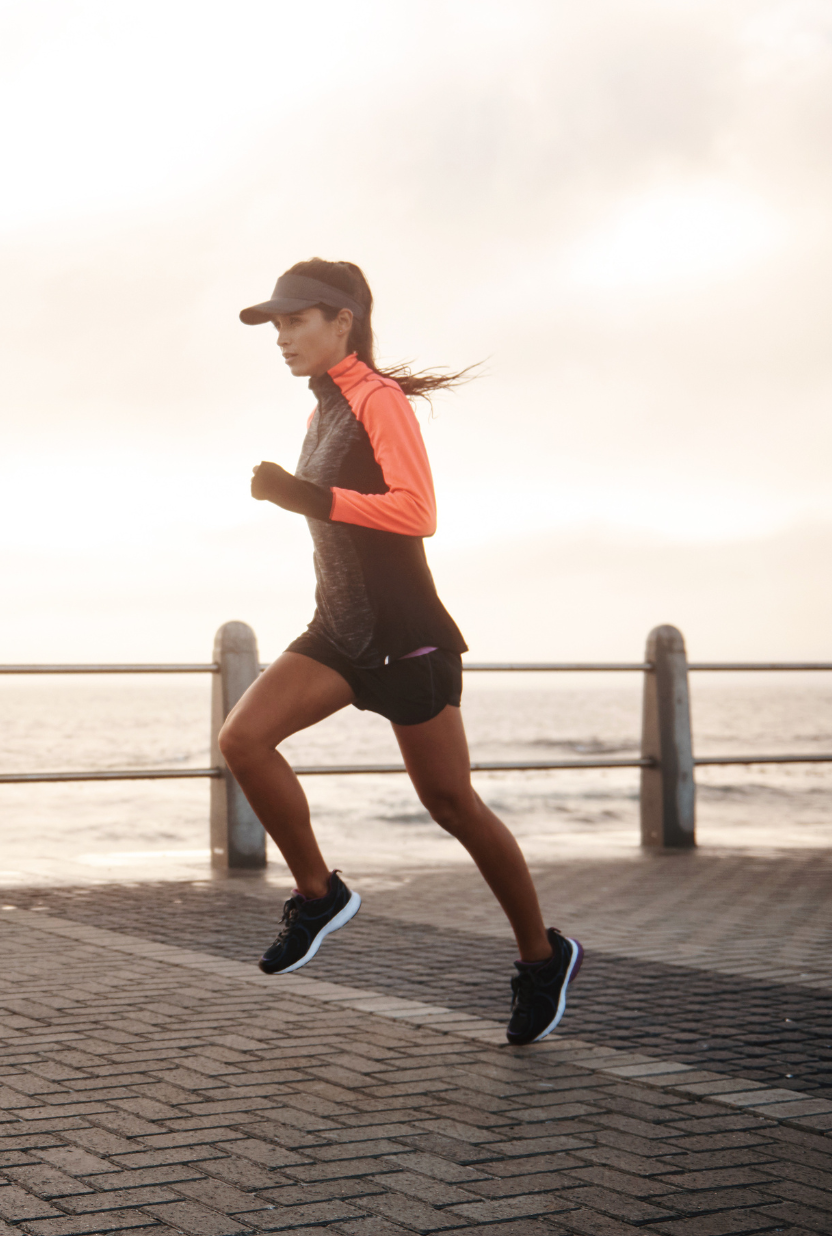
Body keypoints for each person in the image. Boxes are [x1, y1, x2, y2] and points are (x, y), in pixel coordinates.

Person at [219, 258, 582, 1046]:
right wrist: (305, 496)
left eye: (293, 320)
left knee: (452, 804)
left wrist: (305, 495)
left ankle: (542, 955)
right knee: (242, 739)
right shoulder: (321, 411)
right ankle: (317, 895)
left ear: (341, 321)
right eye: (274, 324)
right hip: (338, 632)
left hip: (406, 636)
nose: (280, 336)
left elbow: (417, 512)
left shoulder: (379, 400)